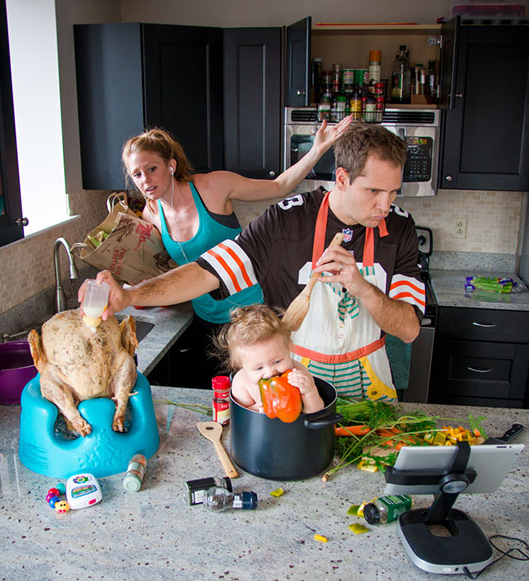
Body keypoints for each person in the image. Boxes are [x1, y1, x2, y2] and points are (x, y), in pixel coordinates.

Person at [84, 122, 424, 402]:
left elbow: (408, 330)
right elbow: (205, 273)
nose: (385, 206)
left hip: (370, 392)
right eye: (374, 192)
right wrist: (131, 295)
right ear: (342, 179)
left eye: (393, 192)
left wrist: (362, 288)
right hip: (295, 388)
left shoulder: (400, 227)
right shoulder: (286, 222)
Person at [121, 116, 352, 325]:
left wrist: (317, 150)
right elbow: (159, 265)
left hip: (252, 311)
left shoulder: (212, 187)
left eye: (152, 169)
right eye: (137, 174)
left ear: (170, 166)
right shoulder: (151, 214)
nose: (145, 180)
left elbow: (279, 186)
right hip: (205, 316)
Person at [213, 304, 324, 415]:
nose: (270, 372)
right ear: (241, 365)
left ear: (289, 348)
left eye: (277, 361)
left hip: (297, 425)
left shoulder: (299, 372)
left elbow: (316, 411)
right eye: (259, 368)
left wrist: (309, 391)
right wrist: (257, 409)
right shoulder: (242, 383)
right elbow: (239, 415)